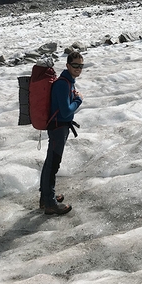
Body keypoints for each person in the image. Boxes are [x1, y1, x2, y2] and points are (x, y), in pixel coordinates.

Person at [39, 51, 84, 215]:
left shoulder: (68, 81)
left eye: (81, 66)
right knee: (52, 164)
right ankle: (49, 204)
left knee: (51, 162)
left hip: (59, 127)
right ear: (67, 65)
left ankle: (46, 198)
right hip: (58, 128)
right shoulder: (63, 84)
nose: (78, 68)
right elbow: (65, 112)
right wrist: (78, 100)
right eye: (75, 65)